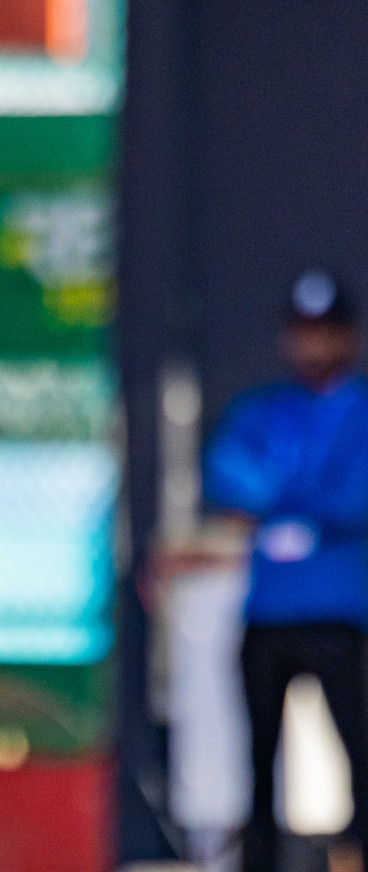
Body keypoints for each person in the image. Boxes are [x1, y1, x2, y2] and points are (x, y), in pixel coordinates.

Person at [205, 268, 368, 872]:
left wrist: (280, 509)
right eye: (302, 333)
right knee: (258, 760)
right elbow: (225, 474)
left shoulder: (360, 410)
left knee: (358, 750)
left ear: (347, 338)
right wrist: (307, 508)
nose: (312, 347)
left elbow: (356, 496)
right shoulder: (262, 409)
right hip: (268, 613)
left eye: (325, 334)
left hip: (340, 614)